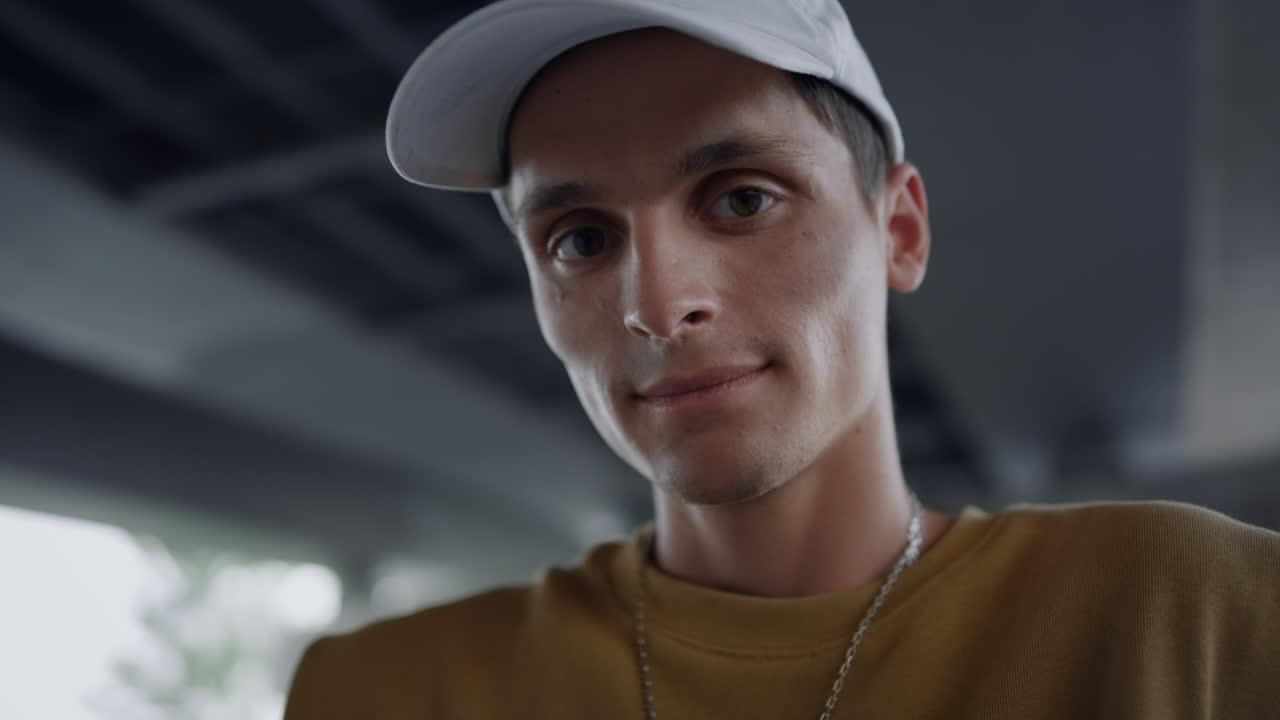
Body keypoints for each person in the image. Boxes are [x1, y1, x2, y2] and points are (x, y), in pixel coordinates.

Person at [284, 0, 1280, 717]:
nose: (657, 304)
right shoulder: (388, 692)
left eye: (741, 198)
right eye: (580, 239)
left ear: (897, 231)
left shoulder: (1194, 615)